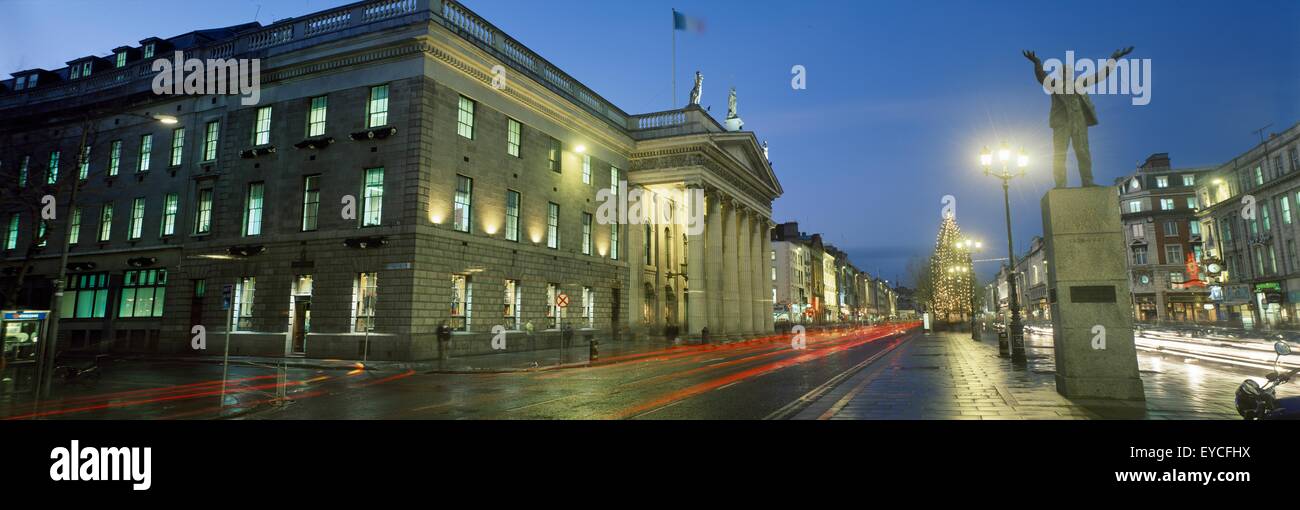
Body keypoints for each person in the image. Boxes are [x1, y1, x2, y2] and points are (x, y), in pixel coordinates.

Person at [1022, 46, 1133, 188]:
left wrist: (1114, 58)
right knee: (1060, 154)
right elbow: (1042, 77)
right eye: (1063, 71)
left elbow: (1100, 75)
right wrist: (1037, 62)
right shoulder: (1054, 85)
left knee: (1083, 153)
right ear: (1060, 74)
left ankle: (1088, 181)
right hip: (1062, 123)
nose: (1066, 73)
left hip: (1079, 121)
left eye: (1068, 71)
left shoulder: (1079, 83)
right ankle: (1060, 184)